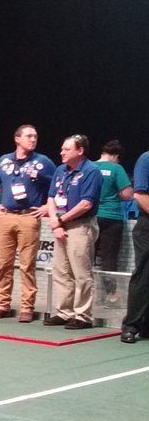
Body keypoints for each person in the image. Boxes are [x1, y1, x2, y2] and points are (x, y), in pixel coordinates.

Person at [0, 124, 57, 321]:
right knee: (4, 264)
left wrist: (46, 207)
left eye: (35, 136)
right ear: (17, 139)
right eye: (29, 136)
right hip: (6, 216)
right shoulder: (4, 160)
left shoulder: (42, 161)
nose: (33, 139)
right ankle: (2, 305)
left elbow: (57, 185)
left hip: (29, 216)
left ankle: (27, 307)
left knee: (27, 265)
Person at [44, 135, 102, 329]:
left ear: (80, 151)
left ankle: (83, 315)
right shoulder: (60, 170)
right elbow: (51, 197)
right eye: (62, 149)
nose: (62, 152)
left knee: (81, 272)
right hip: (60, 224)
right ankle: (64, 312)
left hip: (80, 225)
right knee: (61, 270)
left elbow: (86, 204)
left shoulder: (91, 171)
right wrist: (56, 223)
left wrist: (61, 220)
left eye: (66, 149)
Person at [95, 140, 133, 306]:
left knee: (86, 258)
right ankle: (110, 295)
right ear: (116, 156)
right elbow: (127, 194)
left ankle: (86, 294)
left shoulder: (89, 167)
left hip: (90, 216)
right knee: (108, 259)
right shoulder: (116, 168)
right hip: (111, 217)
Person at [120, 149, 149, 344]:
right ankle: (131, 325)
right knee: (144, 275)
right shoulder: (146, 159)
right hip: (147, 225)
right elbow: (139, 195)